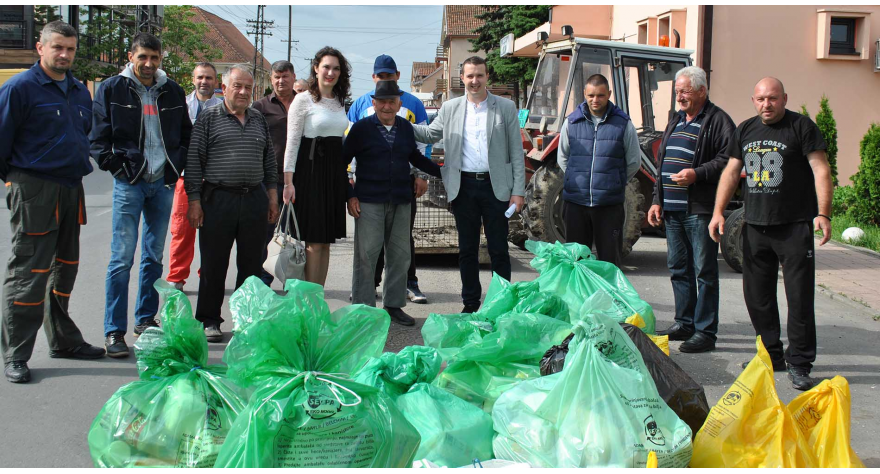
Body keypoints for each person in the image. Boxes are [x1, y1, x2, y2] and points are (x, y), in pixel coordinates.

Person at [709, 77, 832, 391]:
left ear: (784, 98)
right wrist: (717, 212)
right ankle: (772, 354)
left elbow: (821, 169)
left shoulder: (801, 128)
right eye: (761, 99)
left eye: (773, 98)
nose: (767, 104)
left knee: (799, 300)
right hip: (755, 227)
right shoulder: (746, 129)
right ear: (753, 100)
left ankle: (800, 363)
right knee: (758, 299)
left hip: (793, 227)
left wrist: (823, 213)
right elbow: (732, 171)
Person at [0, 21, 106, 383]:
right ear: (40, 48)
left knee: (65, 270)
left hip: (70, 187)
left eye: (70, 49)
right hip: (35, 188)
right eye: (57, 47)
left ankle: (62, 340)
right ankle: (16, 353)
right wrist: (18, 184)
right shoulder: (20, 88)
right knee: (29, 272)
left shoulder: (78, 90)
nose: (64, 55)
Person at [90, 32, 191, 358]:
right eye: (142, 57)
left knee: (153, 257)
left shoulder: (172, 91)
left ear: (160, 59)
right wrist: (119, 169)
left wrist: (174, 170)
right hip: (129, 185)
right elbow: (98, 139)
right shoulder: (111, 89)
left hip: (161, 185)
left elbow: (185, 136)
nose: (148, 64)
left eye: (154, 58)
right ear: (130, 56)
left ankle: (145, 320)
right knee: (121, 259)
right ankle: (114, 332)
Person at [412, 56, 526, 313]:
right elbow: (430, 134)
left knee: (499, 249)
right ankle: (470, 303)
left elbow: (516, 152)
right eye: (470, 76)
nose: (475, 81)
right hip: (463, 187)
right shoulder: (451, 108)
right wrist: (398, 123)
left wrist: (518, 191)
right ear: (462, 78)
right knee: (467, 250)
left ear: (487, 78)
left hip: (496, 187)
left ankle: (501, 304)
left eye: (479, 76)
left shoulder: (505, 108)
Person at [184, 64, 280, 342]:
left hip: (254, 198)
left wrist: (272, 197)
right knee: (214, 263)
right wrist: (194, 201)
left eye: (248, 87)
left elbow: (269, 162)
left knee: (252, 265)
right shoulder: (209, 118)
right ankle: (209, 319)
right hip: (218, 199)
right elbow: (194, 161)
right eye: (237, 86)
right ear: (223, 88)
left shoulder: (258, 119)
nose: (243, 92)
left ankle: (244, 318)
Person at [647, 66, 735, 354]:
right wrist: (656, 199)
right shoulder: (676, 119)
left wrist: (697, 173)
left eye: (685, 91)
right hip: (672, 209)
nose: (680, 96)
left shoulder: (719, 120)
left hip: (699, 209)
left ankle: (705, 331)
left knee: (704, 271)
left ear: (702, 91)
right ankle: (684, 322)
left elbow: (729, 161)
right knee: (678, 268)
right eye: (677, 91)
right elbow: (661, 164)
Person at [343, 80, 442, 325]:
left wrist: (444, 172)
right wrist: (349, 194)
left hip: (401, 200)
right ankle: (364, 310)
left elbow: (416, 157)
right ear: (374, 103)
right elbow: (339, 163)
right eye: (382, 102)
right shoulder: (361, 129)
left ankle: (393, 306)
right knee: (367, 256)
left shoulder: (406, 128)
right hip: (369, 201)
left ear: (400, 103)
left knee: (399, 255)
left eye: (392, 102)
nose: (387, 107)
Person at [283, 47, 351, 286]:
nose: (330, 72)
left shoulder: (340, 100)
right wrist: (288, 182)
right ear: (316, 68)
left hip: (333, 173)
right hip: (309, 173)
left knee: (325, 241)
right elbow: (291, 143)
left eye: (336, 68)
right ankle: (308, 301)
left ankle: (317, 298)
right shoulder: (302, 99)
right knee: (312, 242)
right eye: (326, 67)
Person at [557, 74, 640, 267]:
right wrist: (576, 179)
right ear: (584, 94)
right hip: (576, 203)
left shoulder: (623, 124)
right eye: (591, 95)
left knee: (609, 261)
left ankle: (608, 297)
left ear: (609, 94)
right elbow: (563, 157)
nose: (595, 100)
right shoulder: (572, 122)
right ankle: (577, 297)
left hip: (609, 205)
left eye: (601, 95)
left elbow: (634, 162)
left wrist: (613, 181)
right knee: (576, 261)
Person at [166, 62, 222, 291]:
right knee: (182, 230)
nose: (204, 82)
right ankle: (177, 277)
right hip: (185, 178)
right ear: (192, 79)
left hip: (214, 180)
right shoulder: (181, 105)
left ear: (216, 82)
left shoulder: (223, 107)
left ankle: (207, 277)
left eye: (209, 78)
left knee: (213, 234)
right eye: (200, 77)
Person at [253, 60, 296, 287]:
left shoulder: (303, 103)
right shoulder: (260, 107)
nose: (281, 81)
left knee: (295, 236)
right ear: (271, 79)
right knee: (268, 235)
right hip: (269, 181)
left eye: (285, 76)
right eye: (277, 77)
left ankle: (293, 283)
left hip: (298, 181)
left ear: (293, 77)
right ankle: (263, 283)